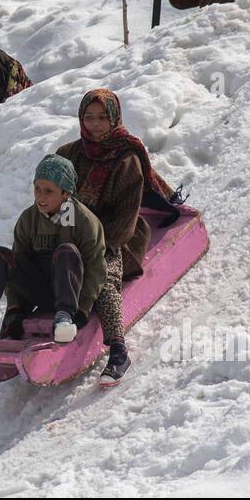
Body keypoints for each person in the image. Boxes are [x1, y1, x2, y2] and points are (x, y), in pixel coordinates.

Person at [56, 89, 184, 382]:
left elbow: (126, 217)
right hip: (73, 237)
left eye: (103, 117)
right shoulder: (68, 154)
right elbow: (55, 203)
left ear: (114, 118)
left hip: (118, 236)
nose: (96, 124)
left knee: (101, 276)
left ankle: (118, 350)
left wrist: (95, 247)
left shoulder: (126, 159)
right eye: (89, 117)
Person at [0, 155, 106, 347]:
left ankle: (64, 318)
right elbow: (17, 266)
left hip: (72, 294)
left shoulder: (84, 222)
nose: (41, 196)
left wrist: (82, 310)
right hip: (40, 289)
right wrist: (15, 309)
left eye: (49, 191)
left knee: (66, 251)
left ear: (65, 193)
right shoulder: (28, 219)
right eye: (37, 188)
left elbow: (96, 268)